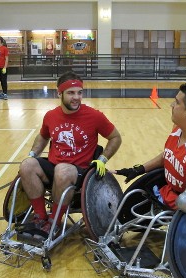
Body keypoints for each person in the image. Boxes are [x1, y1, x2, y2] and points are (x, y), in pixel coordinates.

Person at [19, 71, 122, 239]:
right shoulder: (51, 116)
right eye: (71, 93)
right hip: (54, 167)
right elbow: (43, 136)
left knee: (63, 170)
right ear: (59, 94)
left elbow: (115, 137)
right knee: (26, 165)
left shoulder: (94, 116)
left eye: (79, 92)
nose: (76, 97)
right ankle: (40, 217)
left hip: (79, 172)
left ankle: (55, 222)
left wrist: (103, 159)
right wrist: (32, 154)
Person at [115, 82, 186, 213]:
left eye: (177, 102)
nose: (172, 105)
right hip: (170, 194)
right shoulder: (179, 129)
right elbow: (168, 155)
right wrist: (139, 169)